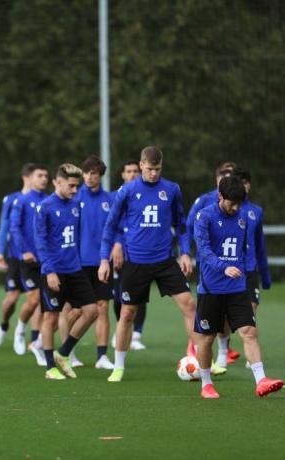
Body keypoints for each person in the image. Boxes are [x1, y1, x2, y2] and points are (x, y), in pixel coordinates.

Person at [98, 146, 198, 382]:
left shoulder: (172, 189)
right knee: (127, 313)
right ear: (142, 165)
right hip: (136, 262)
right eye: (150, 169)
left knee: (189, 304)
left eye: (158, 169)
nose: (154, 174)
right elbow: (110, 227)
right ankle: (119, 366)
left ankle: (201, 360)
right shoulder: (127, 191)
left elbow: (181, 225)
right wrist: (104, 259)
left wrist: (185, 253)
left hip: (164, 260)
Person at [192, 175, 282, 398]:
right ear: (220, 197)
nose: (235, 208)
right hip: (211, 289)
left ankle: (261, 380)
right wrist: (223, 267)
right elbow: (203, 251)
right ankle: (206, 384)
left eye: (239, 203)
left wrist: (240, 272)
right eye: (231, 203)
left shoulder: (242, 217)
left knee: (249, 332)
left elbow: (243, 249)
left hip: (236, 288)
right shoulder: (205, 216)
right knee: (207, 338)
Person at [35, 163, 99, 380]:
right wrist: (49, 271)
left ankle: (63, 352)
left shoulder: (75, 205)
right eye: (71, 186)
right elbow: (41, 242)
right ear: (57, 182)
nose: (75, 190)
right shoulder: (45, 207)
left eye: (76, 186)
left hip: (75, 269)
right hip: (54, 271)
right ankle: (50, 367)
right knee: (51, 317)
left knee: (92, 311)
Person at [186, 162, 237, 365]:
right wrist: (188, 252)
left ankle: (224, 350)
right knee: (207, 310)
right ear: (216, 180)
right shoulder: (204, 202)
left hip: (231, 265)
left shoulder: (237, 205)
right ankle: (196, 347)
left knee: (227, 312)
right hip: (208, 266)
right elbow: (188, 226)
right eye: (223, 177)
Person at [225, 167, 271, 368]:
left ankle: (253, 360)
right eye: (239, 181)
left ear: (249, 185)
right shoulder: (224, 210)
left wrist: (266, 273)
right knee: (224, 317)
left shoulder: (256, 212)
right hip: (227, 269)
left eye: (246, 181)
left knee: (250, 311)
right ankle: (222, 351)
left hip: (250, 269)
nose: (243, 185)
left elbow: (259, 243)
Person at [74, 155, 115, 370]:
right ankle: (68, 350)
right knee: (76, 311)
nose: (90, 177)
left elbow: (115, 229)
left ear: (100, 176)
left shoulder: (109, 200)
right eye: (87, 173)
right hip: (77, 263)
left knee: (102, 308)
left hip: (102, 263)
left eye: (94, 174)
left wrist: (112, 251)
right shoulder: (74, 198)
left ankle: (101, 356)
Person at [9, 164, 49, 363]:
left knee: (45, 305)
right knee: (32, 300)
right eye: (39, 176)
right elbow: (14, 227)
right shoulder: (22, 201)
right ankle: (20, 329)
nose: (43, 179)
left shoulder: (50, 201)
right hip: (28, 260)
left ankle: (38, 344)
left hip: (46, 260)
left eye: (45, 176)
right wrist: (23, 250)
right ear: (30, 179)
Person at [0, 163, 33, 349]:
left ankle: (31, 337)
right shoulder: (11, 199)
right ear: (26, 177)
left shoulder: (45, 199)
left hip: (36, 258)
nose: (42, 180)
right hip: (16, 256)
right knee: (12, 298)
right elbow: (5, 227)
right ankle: (4, 325)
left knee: (37, 299)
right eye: (37, 176)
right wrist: (1, 252)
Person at [111, 160, 147, 350]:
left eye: (135, 171)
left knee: (141, 295)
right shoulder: (117, 196)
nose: (132, 174)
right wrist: (116, 244)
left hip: (140, 254)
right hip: (119, 253)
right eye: (129, 171)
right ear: (123, 175)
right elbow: (112, 224)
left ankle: (136, 334)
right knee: (119, 296)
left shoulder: (145, 194)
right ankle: (122, 328)